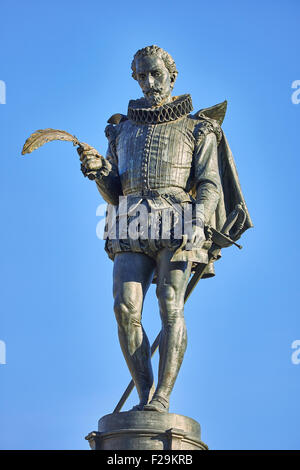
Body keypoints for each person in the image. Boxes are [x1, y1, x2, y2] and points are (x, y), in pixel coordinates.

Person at [78, 45, 251, 412]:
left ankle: (162, 398)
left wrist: (201, 220)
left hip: (178, 219)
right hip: (131, 221)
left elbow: (209, 184)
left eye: (155, 74)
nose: (149, 82)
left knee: (169, 304)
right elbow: (114, 192)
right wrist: (98, 172)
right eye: (141, 75)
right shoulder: (120, 131)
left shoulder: (198, 127)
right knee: (125, 308)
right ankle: (144, 394)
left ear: (172, 75)